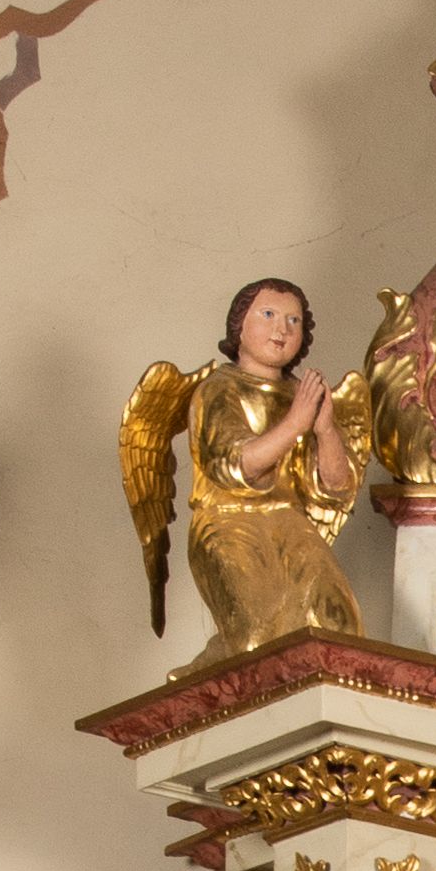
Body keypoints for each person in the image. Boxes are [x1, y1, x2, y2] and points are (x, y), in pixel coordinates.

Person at [120, 278, 366, 670]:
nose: (281, 329)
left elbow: (336, 488)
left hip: (290, 523)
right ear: (239, 325)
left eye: (293, 320)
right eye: (268, 315)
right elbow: (235, 466)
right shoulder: (219, 390)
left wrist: (324, 430)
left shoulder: (304, 396)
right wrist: (296, 422)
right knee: (256, 643)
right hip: (229, 524)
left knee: (340, 630)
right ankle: (208, 675)